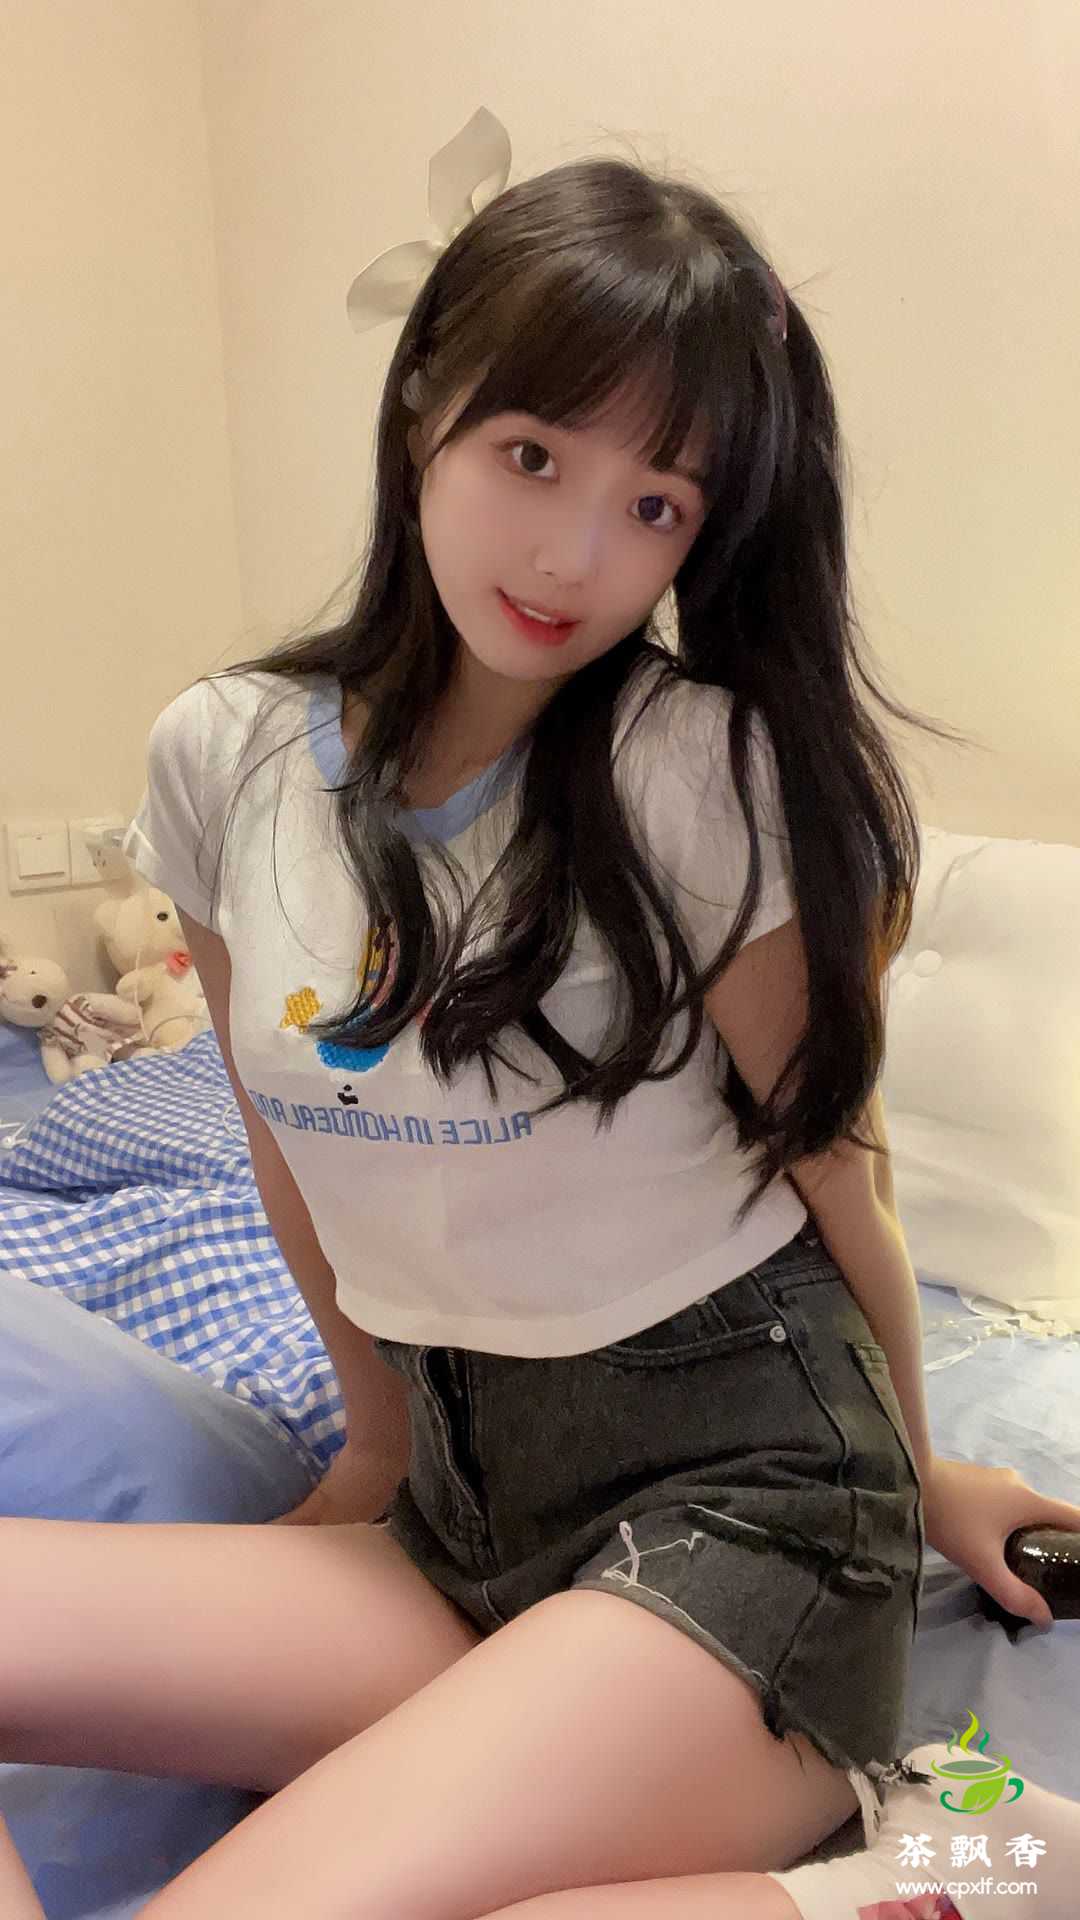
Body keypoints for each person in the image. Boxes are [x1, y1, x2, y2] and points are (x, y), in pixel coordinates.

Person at [4, 108, 1079, 1919]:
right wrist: (374, 1443)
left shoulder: (699, 769)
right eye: (530, 454)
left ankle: (970, 1865)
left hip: (750, 1503)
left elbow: (837, 1172)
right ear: (425, 403)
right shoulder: (223, 755)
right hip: (458, 1502)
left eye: (656, 506)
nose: (575, 555)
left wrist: (913, 1476)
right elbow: (286, 1149)